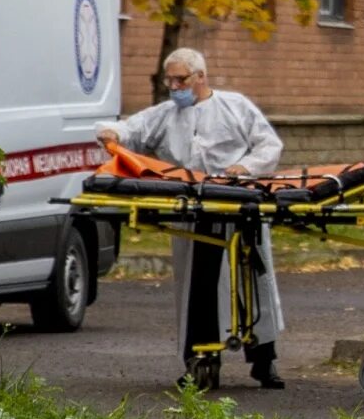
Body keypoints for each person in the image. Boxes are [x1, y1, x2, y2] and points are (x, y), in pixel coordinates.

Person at [98, 48, 287, 389]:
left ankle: (263, 361)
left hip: (238, 205)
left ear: (201, 77)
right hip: (192, 209)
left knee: (252, 284)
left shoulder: (235, 107)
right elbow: (131, 129)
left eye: (180, 79)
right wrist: (112, 134)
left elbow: (268, 145)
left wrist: (244, 168)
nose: (174, 86)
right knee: (196, 289)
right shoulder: (167, 115)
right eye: (169, 79)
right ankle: (200, 361)